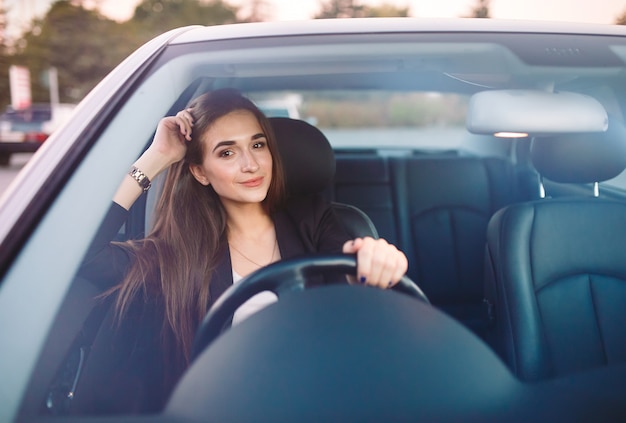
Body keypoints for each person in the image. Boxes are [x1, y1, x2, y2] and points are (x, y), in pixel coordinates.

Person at [78, 88, 408, 413]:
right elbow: (83, 255)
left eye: (258, 145)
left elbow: (353, 273)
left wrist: (375, 260)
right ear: (199, 172)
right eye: (227, 153)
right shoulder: (177, 253)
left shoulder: (315, 219)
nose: (251, 164)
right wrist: (156, 157)